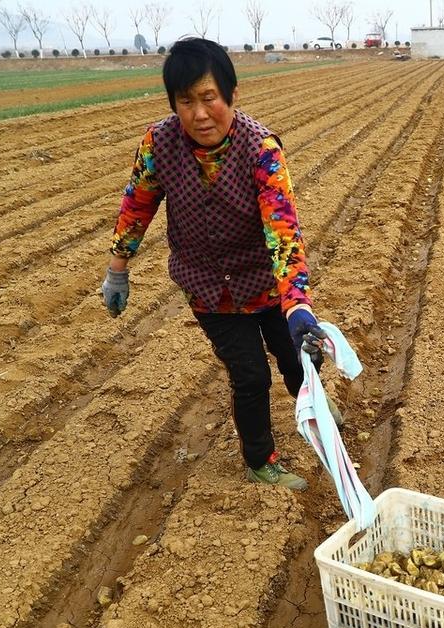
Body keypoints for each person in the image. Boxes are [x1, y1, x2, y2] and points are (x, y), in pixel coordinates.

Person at [100, 37, 327, 490]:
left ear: (231, 95)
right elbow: (137, 204)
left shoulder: (261, 149)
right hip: (207, 287)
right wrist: (117, 267)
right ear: (173, 104)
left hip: (264, 280)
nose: (200, 114)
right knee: (249, 374)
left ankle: (314, 407)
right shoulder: (158, 144)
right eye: (186, 102)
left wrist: (297, 304)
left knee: (295, 354)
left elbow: (283, 231)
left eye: (209, 98)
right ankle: (260, 460)